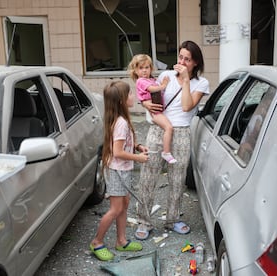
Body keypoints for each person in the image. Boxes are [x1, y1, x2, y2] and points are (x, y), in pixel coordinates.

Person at [134, 41, 210, 240]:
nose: (182, 61)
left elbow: (187, 106)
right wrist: (148, 105)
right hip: (158, 129)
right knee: (148, 177)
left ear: (195, 63)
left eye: (187, 59)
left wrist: (185, 81)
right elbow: (149, 97)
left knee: (177, 179)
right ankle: (144, 220)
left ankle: (173, 219)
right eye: (180, 57)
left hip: (182, 132)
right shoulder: (165, 76)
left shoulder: (201, 83)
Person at [90, 81, 149, 261]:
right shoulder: (121, 122)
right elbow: (118, 152)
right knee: (115, 209)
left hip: (120, 169)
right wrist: (138, 158)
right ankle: (96, 242)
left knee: (123, 204)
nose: (133, 96)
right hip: (117, 170)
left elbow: (120, 144)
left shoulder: (119, 119)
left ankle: (121, 241)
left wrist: (137, 146)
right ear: (122, 101)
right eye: (130, 94)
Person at [128, 54, 177, 164]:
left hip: (158, 109)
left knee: (167, 128)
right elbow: (152, 89)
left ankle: (166, 150)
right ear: (135, 70)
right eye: (141, 68)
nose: (144, 71)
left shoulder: (150, 79)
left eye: (147, 67)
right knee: (169, 127)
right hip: (154, 112)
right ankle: (166, 152)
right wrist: (163, 85)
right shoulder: (141, 81)